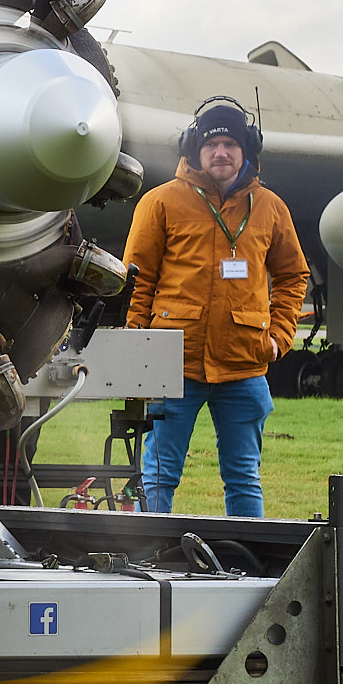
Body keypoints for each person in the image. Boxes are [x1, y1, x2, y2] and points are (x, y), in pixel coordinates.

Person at [123, 98, 309, 517]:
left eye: (230, 144)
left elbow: (294, 276)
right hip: (174, 363)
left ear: (247, 151)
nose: (221, 152)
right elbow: (136, 280)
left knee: (244, 477)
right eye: (212, 145)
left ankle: (249, 566)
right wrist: (136, 351)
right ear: (194, 150)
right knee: (156, 475)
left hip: (245, 365)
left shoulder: (271, 209)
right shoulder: (160, 202)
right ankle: (148, 562)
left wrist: (279, 337)